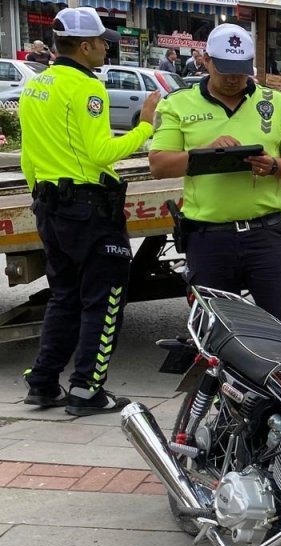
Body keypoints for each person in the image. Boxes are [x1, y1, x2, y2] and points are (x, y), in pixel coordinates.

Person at [18, 7, 160, 415]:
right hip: (89, 210)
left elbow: (29, 155)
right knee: (106, 298)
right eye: (102, 42)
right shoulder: (87, 89)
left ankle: (44, 383)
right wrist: (145, 127)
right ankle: (86, 390)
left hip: (49, 204)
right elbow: (101, 153)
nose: (105, 49)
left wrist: (40, 195)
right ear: (84, 46)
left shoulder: (36, 85)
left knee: (64, 296)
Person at [149, 24, 281, 354]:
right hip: (209, 238)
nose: (233, 79)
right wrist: (207, 153)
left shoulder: (278, 104)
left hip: (265, 236)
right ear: (206, 61)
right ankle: (229, 404)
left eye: (241, 71)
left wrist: (273, 165)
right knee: (215, 336)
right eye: (225, 69)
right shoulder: (177, 104)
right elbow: (159, 165)